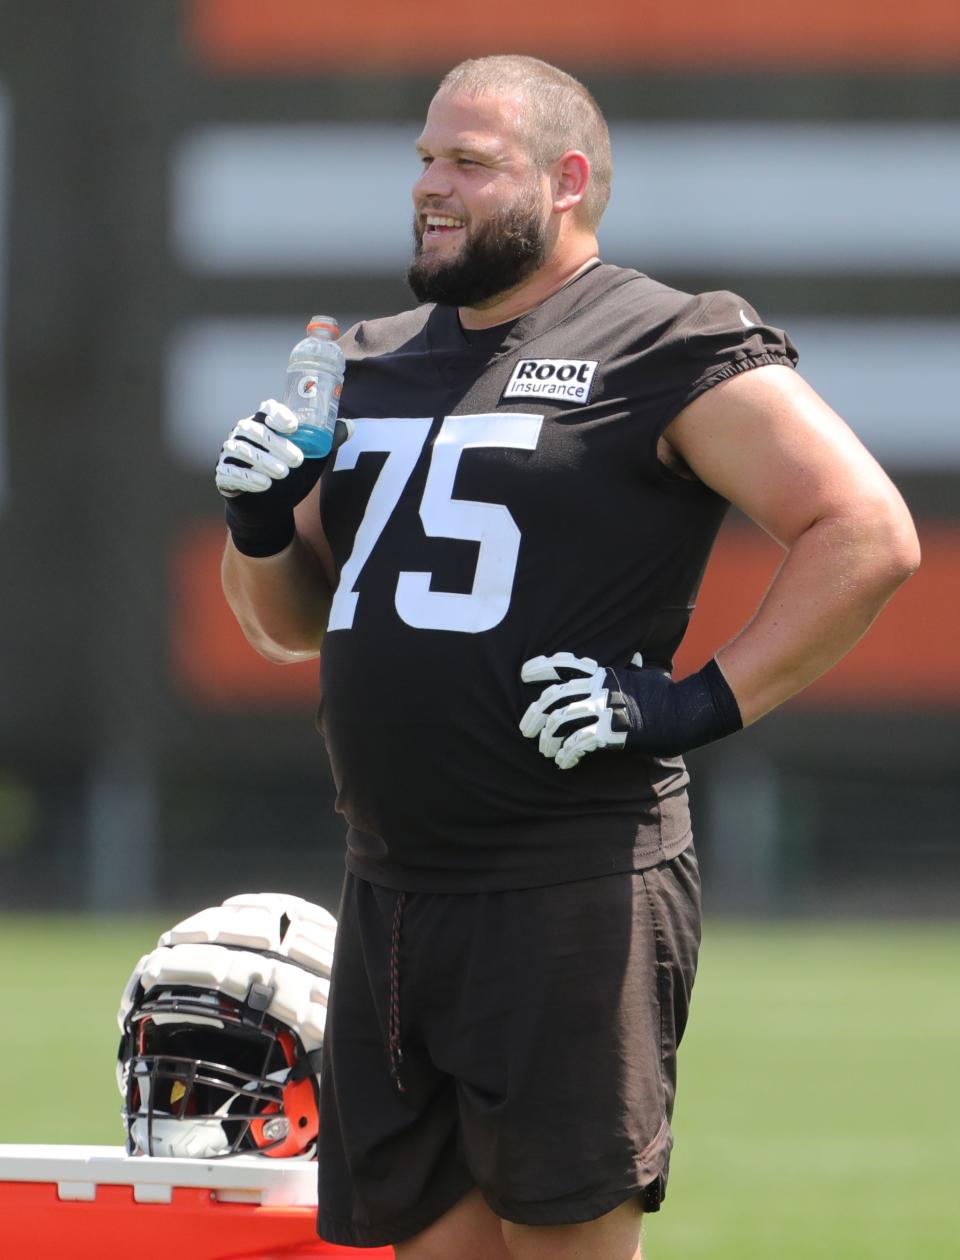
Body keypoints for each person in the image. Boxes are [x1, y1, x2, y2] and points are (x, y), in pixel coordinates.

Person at [214, 55, 919, 1260]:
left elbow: (866, 533)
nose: (432, 187)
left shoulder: (662, 339)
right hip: (390, 887)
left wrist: (696, 702)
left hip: (567, 886)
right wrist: (259, 527)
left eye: (470, 164)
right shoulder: (374, 358)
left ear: (568, 180)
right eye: (426, 159)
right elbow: (283, 624)